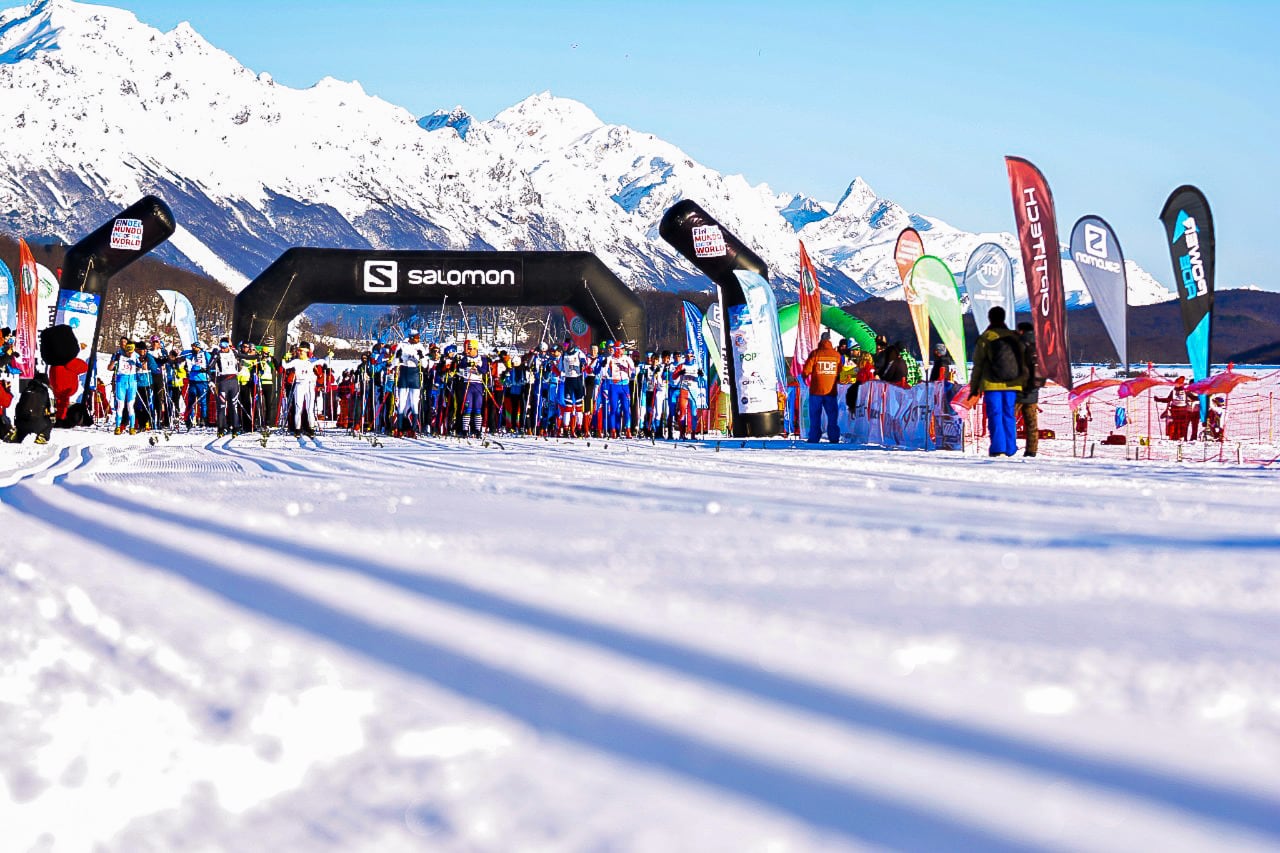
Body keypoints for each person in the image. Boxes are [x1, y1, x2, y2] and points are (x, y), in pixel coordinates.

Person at [969, 306, 1027, 457]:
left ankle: (998, 448)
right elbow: (1023, 361)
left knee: (995, 414)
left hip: (991, 383)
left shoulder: (986, 337)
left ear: (990, 318)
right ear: (1004, 318)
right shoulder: (1013, 336)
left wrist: (974, 387)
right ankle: (1010, 448)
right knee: (1009, 414)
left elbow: (978, 364)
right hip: (1012, 383)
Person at [801, 331, 840, 443]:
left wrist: (805, 377)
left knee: (815, 416)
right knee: (832, 416)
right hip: (831, 391)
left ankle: (814, 437)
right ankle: (833, 437)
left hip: (816, 391)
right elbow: (840, 371)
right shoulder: (836, 355)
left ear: (820, 341)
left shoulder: (815, 354)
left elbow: (806, 370)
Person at [1014, 322, 1044, 457]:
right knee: (1032, 424)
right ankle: (1032, 450)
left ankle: (1007, 446)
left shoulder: (1019, 345)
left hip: (1018, 390)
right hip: (1033, 391)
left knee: (1009, 420)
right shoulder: (1039, 346)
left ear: (1021, 331)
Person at [282, 342, 318, 437]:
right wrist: (284, 359)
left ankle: (311, 429)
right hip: (299, 384)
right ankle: (297, 429)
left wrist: (329, 358)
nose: (299, 352)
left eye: (301, 351)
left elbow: (323, 362)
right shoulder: (296, 361)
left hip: (309, 385)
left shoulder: (312, 361)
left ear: (306, 351)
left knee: (310, 409)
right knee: (298, 408)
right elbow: (285, 366)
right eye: (298, 350)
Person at [109, 339, 143, 435]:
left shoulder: (135, 355)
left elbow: (141, 366)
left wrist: (139, 362)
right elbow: (109, 368)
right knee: (120, 406)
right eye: (128, 352)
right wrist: (114, 361)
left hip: (132, 382)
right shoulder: (118, 354)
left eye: (131, 352)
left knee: (130, 406)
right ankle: (118, 427)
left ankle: (132, 428)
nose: (129, 354)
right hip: (121, 382)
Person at [10, 371, 53, 444]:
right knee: (50, 420)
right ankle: (42, 436)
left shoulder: (26, 390)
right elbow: (49, 409)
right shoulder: (44, 392)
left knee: (24, 418)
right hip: (37, 424)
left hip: (21, 424)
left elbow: (18, 407)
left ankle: (18, 436)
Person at [211, 337, 242, 437]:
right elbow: (211, 365)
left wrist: (256, 356)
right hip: (223, 382)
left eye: (224, 346)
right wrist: (208, 370)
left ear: (228, 345)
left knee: (234, 406)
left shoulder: (234, 352)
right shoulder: (218, 354)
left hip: (233, 381)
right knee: (221, 406)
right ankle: (221, 428)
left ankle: (235, 428)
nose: (222, 349)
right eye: (221, 346)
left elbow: (244, 356)